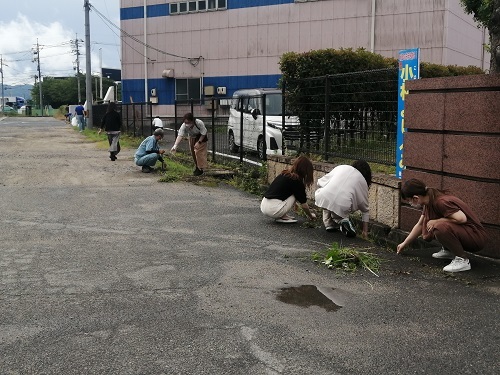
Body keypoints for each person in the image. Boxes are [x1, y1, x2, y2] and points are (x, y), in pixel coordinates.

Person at [396, 178, 488, 273]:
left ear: (416, 198)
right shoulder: (428, 202)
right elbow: (420, 225)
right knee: (433, 224)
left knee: (439, 227)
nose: (410, 204)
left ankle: (462, 260)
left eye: (409, 201)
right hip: (468, 233)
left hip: (476, 237)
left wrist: (437, 221)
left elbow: (461, 218)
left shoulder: (441, 201)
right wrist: (405, 243)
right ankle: (449, 250)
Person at [315, 160, 372, 237]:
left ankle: (329, 223)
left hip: (322, 197)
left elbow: (320, 182)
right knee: (339, 207)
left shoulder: (342, 167)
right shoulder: (363, 183)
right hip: (342, 206)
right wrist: (365, 231)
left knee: (328, 199)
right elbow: (365, 211)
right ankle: (343, 221)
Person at [260, 155, 317, 223]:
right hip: (273, 210)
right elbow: (303, 204)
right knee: (295, 194)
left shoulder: (284, 174)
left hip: (263, 206)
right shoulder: (297, 180)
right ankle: (282, 216)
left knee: (291, 192)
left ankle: (283, 215)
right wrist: (310, 216)